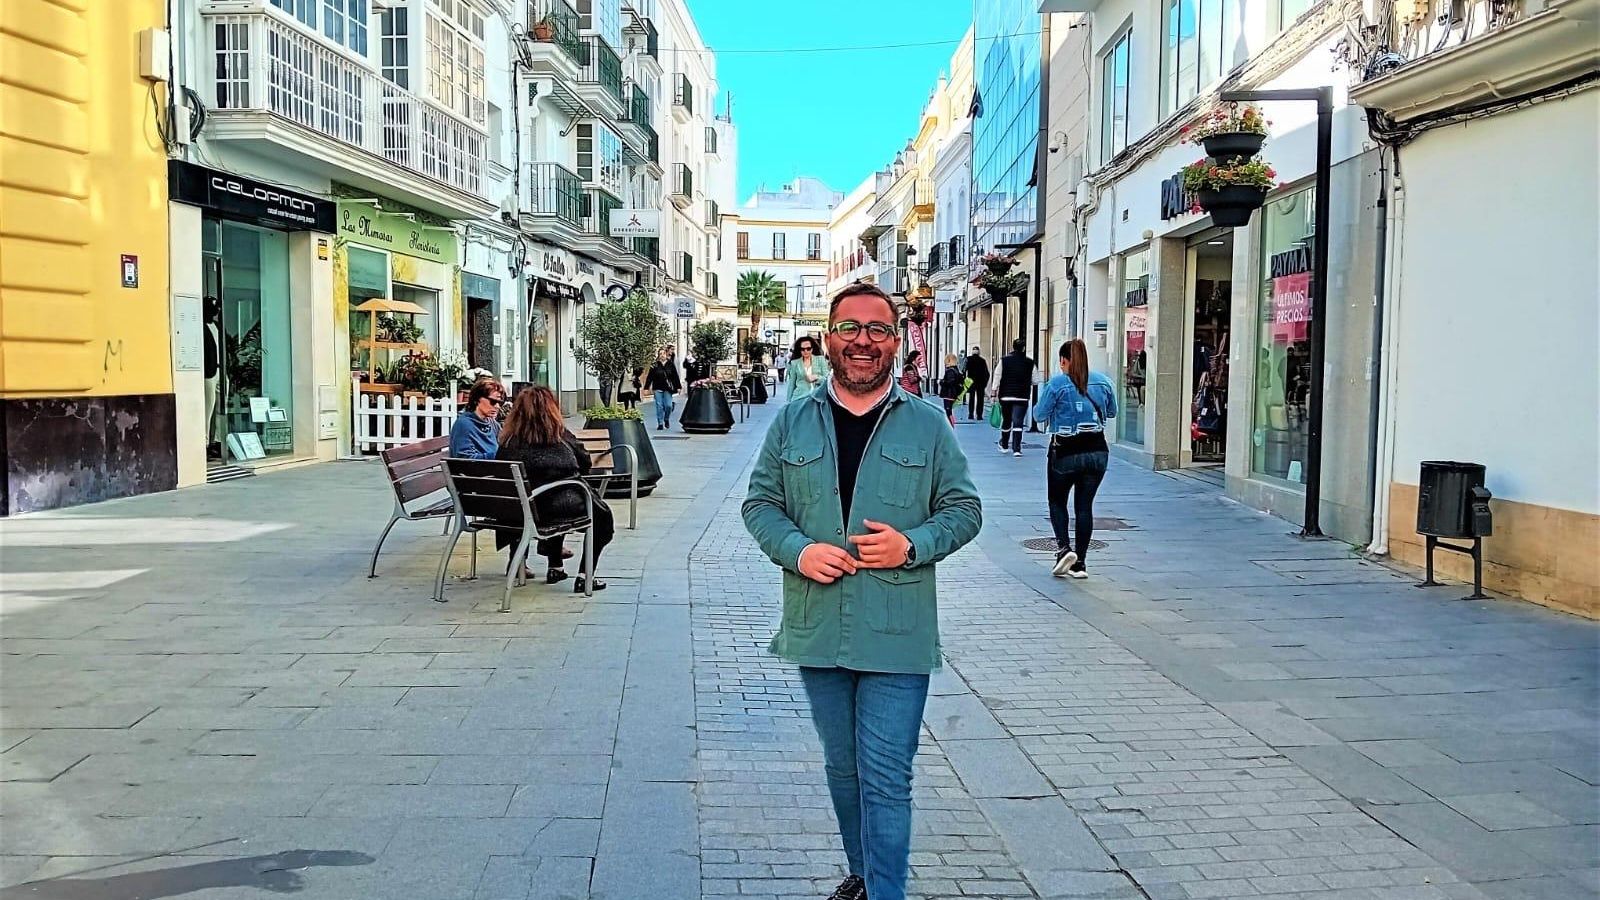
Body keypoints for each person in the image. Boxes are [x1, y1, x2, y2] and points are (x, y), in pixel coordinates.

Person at [743, 283, 982, 900]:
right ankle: (863, 872)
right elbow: (760, 505)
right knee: (843, 770)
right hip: (817, 625)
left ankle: (885, 893)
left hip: (896, 630)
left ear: (895, 342)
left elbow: (964, 510)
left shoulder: (927, 424)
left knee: (885, 776)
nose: (862, 342)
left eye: (877, 330)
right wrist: (798, 550)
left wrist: (913, 544)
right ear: (828, 339)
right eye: (850, 328)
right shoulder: (793, 419)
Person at [495, 387, 613, 594]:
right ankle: (585, 576)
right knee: (595, 514)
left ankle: (556, 567)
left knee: (551, 499)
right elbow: (585, 462)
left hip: (518, 512)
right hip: (556, 506)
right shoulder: (559, 436)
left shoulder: (508, 442)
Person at [1034, 339, 1117, 579]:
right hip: (1097, 452)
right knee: (1084, 506)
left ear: (1063, 361)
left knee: (1057, 501)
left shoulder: (1057, 383)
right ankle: (1080, 563)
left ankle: (1063, 550)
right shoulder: (1104, 381)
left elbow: (1039, 415)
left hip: (1066, 451)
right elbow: (1112, 412)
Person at [993, 338, 1035, 457]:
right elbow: (1036, 380)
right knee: (1018, 421)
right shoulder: (1030, 362)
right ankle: (1017, 448)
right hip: (1022, 396)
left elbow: (997, 376)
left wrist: (994, 391)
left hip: (1006, 395)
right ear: (1024, 348)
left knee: (1007, 420)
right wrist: (1026, 382)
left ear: (1013, 347)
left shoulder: (1004, 361)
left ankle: (1005, 444)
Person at [449, 379, 503, 459]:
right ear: (477, 400)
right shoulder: (464, 425)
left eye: (500, 402)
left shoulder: (491, 423)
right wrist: (498, 456)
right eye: (493, 401)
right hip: (473, 471)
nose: (497, 406)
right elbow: (464, 460)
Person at [645, 348, 682, 431]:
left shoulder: (670, 364)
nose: (662, 355)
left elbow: (675, 376)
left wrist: (678, 387)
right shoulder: (655, 365)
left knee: (668, 406)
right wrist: (646, 387)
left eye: (663, 353)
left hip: (668, 388)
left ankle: (666, 418)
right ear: (658, 355)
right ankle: (660, 423)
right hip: (657, 387)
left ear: (666, 354)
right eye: (660, 353)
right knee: (659, 406)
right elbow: (650, 377)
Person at [786, 335, 829, 402]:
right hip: (799, 398)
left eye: (808, 348)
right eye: (802, 349)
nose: (805, 351)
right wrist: (788, 403)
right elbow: (791, 384)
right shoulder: (795, 363)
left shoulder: (820, 360)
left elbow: (827, 380)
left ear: (812, 348)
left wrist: (817, 377)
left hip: (817, 399)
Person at [963, 345, 990, 421]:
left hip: (971, 381)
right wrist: (985, 383)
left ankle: (971, 414)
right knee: (980, 399)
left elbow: (963, 370)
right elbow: (987, 373)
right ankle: (979, 415)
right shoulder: (982, 361)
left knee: (971, 398)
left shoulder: (968, 359)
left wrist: (964, 381)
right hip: (980, 382)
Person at [938, 353, 964, 423]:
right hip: (953, 393)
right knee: (949, 411)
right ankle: (951, 424)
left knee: (948, 411)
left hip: (949, 393)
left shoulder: (950, 371)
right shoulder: (956, 370)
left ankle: (950, 425)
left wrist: (941, 382)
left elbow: (950, 382)